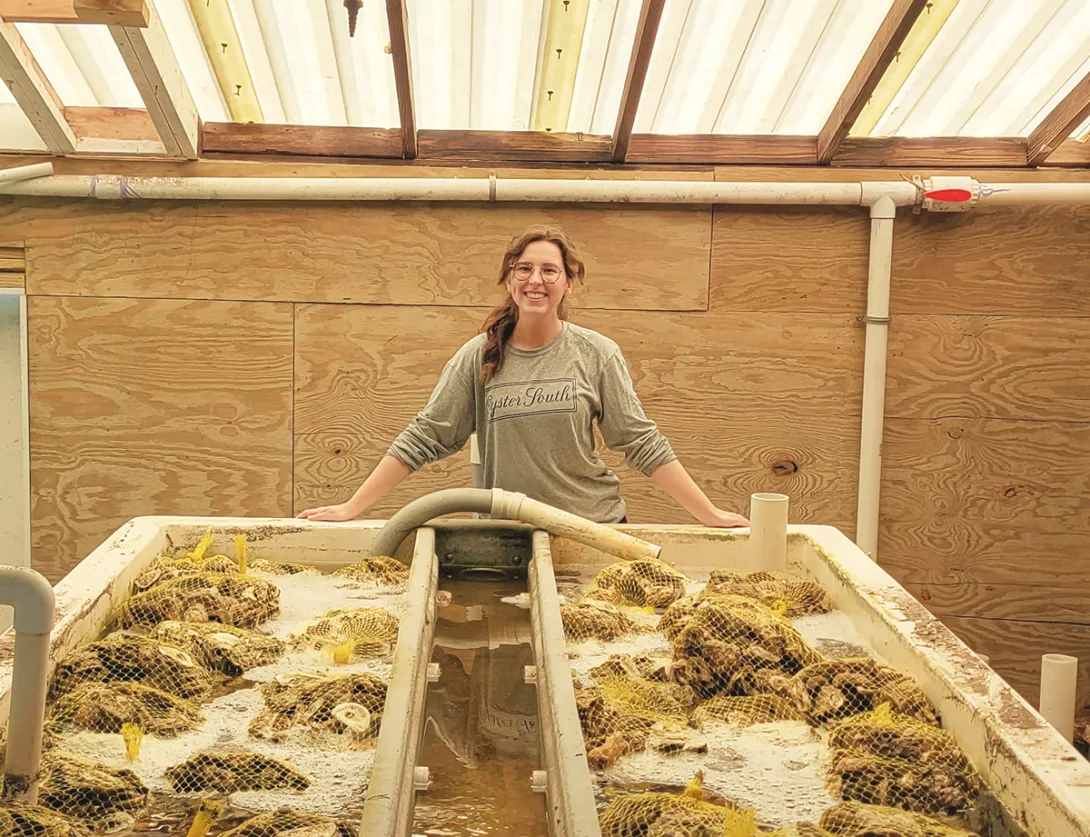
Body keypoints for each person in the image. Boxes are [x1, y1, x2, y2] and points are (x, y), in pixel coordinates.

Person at [297, 226, 750, 528]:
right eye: (525, 269)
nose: (537, 279)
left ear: (568, 283)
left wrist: (707, 513)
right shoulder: (477, 357)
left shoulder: (597, 353)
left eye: (550, 270)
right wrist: (352, 507)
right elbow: (424, 437)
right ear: (510, 280)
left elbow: (640, 441)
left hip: (591, 529)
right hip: (506, 539)